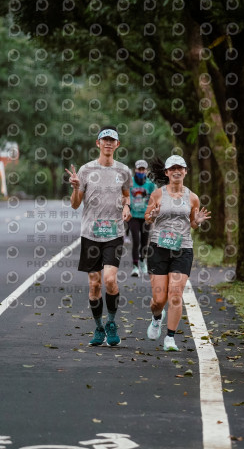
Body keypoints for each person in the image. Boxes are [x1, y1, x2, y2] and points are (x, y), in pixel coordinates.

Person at [65, 126, 132, 347]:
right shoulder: (85, 171)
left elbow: (125, 195)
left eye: (112, 140)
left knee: (110, 280)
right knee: (94, 285)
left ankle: (111, 323)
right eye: (105, 140)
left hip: (114, 233)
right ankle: (98, 326)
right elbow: (75, 205)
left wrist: (127, 207)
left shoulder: (123, 171)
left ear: (117, 145)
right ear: (98, 143)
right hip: (90, 234)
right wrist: (75, 188)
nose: (108, 144)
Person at [144, 155, 211, 351]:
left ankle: (170, 338)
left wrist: (197, 222)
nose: (176, 171)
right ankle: (157, 318)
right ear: (166, 173)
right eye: (172, 168)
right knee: (159, 300)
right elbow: (148, 217)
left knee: (175, 295)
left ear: (185, 171)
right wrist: (153, 215)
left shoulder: (192, 197)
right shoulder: (157, 195)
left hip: (182, 249)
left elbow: (192, 223)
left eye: (180, 168)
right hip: (158, 248)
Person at [129, 159, 156, 277]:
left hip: (146, 217)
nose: (141, 171)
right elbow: (125, 197)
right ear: (135, 170)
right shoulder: (130, 183)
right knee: (136, 241)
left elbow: (155, 199)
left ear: (146, 170)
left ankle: (142, 260)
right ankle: (135, 267)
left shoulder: (150, 185)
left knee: (145, 242)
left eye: (143, 169)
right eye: (139, 169)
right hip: (133, 216)